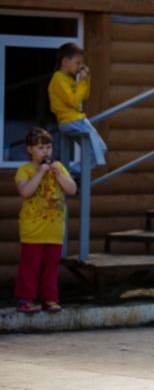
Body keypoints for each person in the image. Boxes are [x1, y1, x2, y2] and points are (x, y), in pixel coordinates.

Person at [15, 127, 77, 313]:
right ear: (30, 150)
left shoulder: (59, 168)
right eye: (40, 148)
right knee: (30, 266)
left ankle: (50, 299)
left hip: (54, 229)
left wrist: (58, 174)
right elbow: (25, 192)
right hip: (33, 229)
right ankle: (26, 300)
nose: (46, 152)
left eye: (49, 147)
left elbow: (72, 189)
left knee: (50, 267)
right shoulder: (25, 170)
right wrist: (40, 172)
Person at [48, 42, 107, 176]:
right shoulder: (58, 79)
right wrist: (81, 83)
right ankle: (70, 173)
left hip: (74, 121)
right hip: (72, 120)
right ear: (65, 61)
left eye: (82, 63)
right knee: (100, 149)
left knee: (93, 150)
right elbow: (74, 101)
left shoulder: (69, 79)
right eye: (77, 62)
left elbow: (84, 96)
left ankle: (72, 174)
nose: (80, 66)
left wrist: (86, 80)